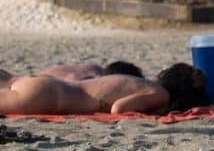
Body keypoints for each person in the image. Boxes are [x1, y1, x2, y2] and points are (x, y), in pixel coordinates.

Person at [0, 63, 210, 115]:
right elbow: (119, 108)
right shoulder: (159, 94)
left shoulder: (142, 82)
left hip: (52, 85)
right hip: (51, 96)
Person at [0, 60, 144, 83]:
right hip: (24, 83)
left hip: (19, 78)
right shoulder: (89, 79)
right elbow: (72, 80)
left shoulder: (94, 66)